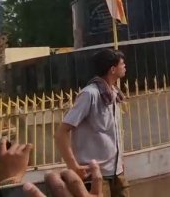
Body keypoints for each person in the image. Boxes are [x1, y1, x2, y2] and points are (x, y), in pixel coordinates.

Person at [55, 48, 129, 197]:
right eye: (122, 63)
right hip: (96, 175)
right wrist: (73, 166)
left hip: (116, 172)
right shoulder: (90, 94)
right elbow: (61, 133)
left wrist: (118, 161)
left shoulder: (113, 93)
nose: (125, 66)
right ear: (112, 69)